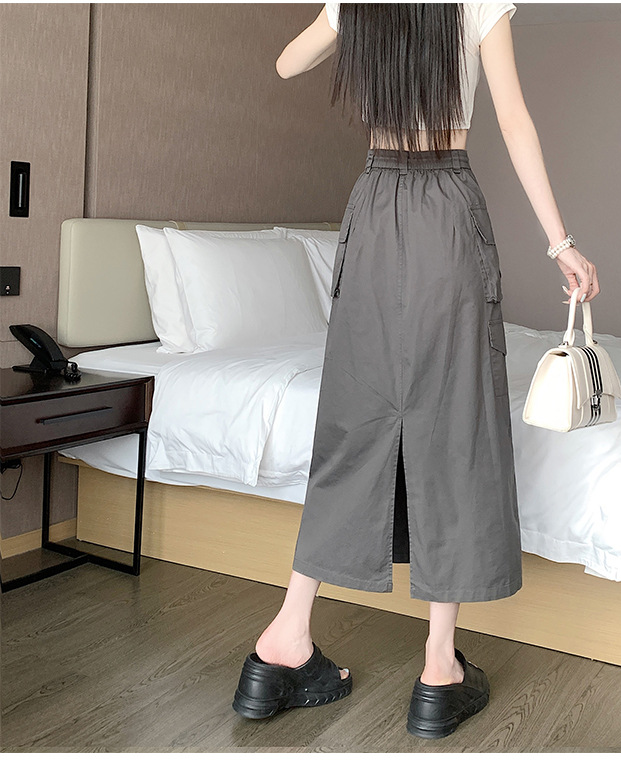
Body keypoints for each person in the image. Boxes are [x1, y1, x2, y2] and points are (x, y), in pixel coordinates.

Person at [233, 2, 600, 739]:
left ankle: (285, 636)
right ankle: (438, 665)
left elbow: (285, 63)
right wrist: (560, 241)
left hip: (372, 206)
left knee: (355, 423)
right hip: (446, 208)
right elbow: (515, 119)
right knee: (452, 423)